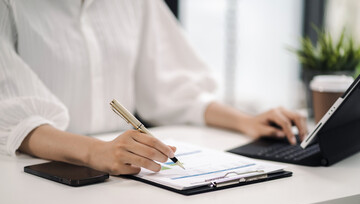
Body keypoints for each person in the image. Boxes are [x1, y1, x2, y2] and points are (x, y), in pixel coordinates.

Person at [0, 0, 307, 175]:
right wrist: (97, 152)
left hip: (118, 176)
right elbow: (11, 117)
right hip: (34, 177)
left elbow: (174, 85)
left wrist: (246, 121)